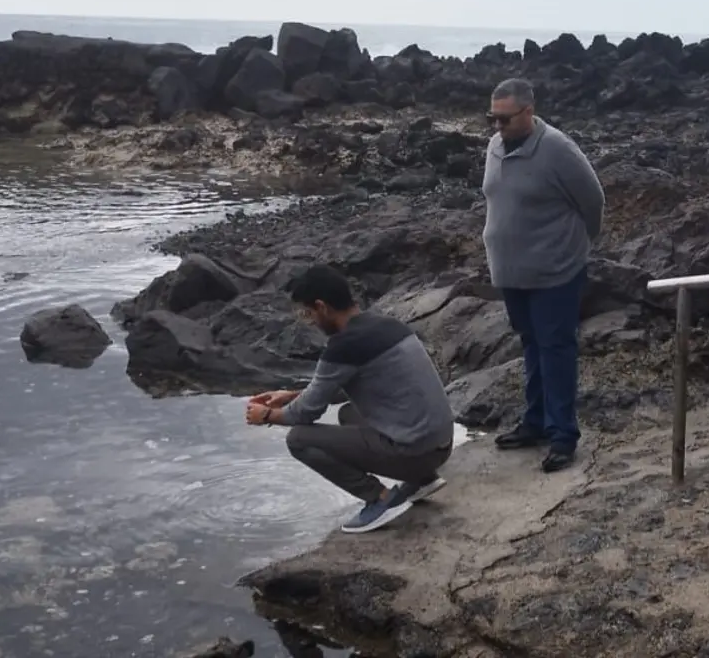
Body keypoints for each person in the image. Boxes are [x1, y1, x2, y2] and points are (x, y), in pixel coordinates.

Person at [244, 264, 455, 534]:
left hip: (417, 452)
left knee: (299, 439)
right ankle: (422, 480)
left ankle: (380, 498)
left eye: (308, 315)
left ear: (322, 307)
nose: (311, 323)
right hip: (439, 443)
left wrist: (265, 416)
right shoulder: (386, 325)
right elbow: (354, 386)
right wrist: (291, 396)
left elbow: (304, 414)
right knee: (348, 413)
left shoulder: (344, 345)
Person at [481, 77, 605, 473]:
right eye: (492, 119)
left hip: (556, 271)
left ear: (529, 112)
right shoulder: (495, 146)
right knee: (531, 345)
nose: (497, 128)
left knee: (556, 348)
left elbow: (593, 201)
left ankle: (563, 436)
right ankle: (534, 422)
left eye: (505, 119)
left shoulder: (557, 149)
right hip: (511, 272)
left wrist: (576, 247)